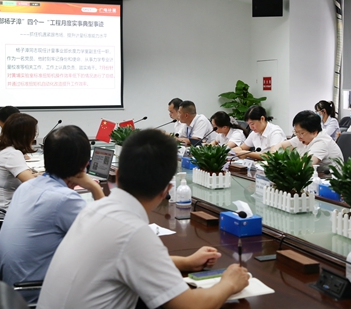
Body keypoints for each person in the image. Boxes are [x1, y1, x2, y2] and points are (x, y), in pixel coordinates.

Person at [37, 129, 249, 309]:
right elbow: (190, 305)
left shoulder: (94, 209)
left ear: (117, 175)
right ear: (166, 190)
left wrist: (186, 262)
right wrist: (229, 282)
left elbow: (127, 260)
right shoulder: (133, 232)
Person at [0, 125, 105, 303]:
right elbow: (106, 241)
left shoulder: (27, 187)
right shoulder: (64, 200)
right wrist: (95, 189)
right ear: (85, 166)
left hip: (9, 293)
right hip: (35, 294)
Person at [0, 113, 38, 209]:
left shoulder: (3, 149)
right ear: (25, 135)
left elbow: (25, 177)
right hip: (2, 213)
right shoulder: (12, 154)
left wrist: (38, 175)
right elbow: (33, 185)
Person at [271, 110, 343, 167]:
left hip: (329, 179)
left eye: (301, 133)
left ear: (314, 132)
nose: (298, 136)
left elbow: (303, 164)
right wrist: (274, 156)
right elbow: (280, 145)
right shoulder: (302, 137)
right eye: (296, 132)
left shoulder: (322, 142)